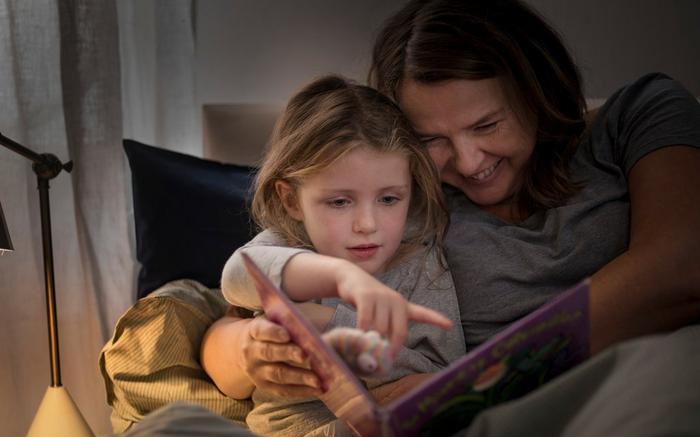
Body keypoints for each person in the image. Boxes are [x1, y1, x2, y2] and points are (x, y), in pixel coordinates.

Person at [204, 0, 700, 401]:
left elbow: (683, 266)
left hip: (648, 379)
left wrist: (478, 384)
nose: (466, 161)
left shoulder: (638, 116)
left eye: (487, 125)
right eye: (430, 138)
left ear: (535, 92)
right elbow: (239, 307)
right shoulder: (401, 205)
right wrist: (249, 352)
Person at [202, 74, 466, 437]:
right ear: (291, 200)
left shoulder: (420, 263)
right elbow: (237, 275)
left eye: (389, 198)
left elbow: (441, 377)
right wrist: (340, 277)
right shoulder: (285, 247)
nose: (367, 224)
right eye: (340, 202)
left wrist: (329, 323)